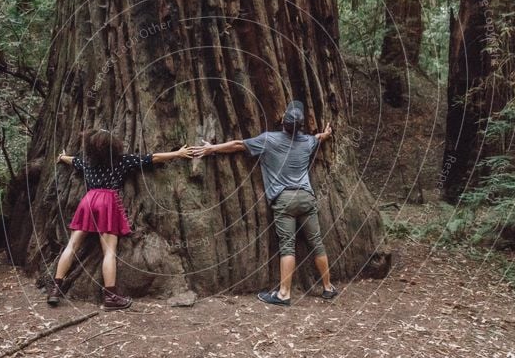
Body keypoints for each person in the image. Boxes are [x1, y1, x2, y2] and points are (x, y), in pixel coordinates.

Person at [191, 100, 337, 306]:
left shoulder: (268, 140)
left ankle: (284, 294)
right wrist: (327, 135)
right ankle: (328, 287)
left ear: (283, 123)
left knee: (288, 247)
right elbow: (317, 138)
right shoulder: (307, 142)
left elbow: (237, 145)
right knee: (317, 242)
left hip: (284, 200)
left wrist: (211, 148)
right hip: (306, 197)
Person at [49, 129, 192, 310]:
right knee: (109, 252)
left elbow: (72, 160)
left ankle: (55, 289)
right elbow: (152, 158)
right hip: (107, 202)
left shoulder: (87, 163)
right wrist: (177, 153)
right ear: (113, 146)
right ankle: (110, 297)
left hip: (89, 200)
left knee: (72, 246)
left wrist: (62, 158)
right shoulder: (121, 161)